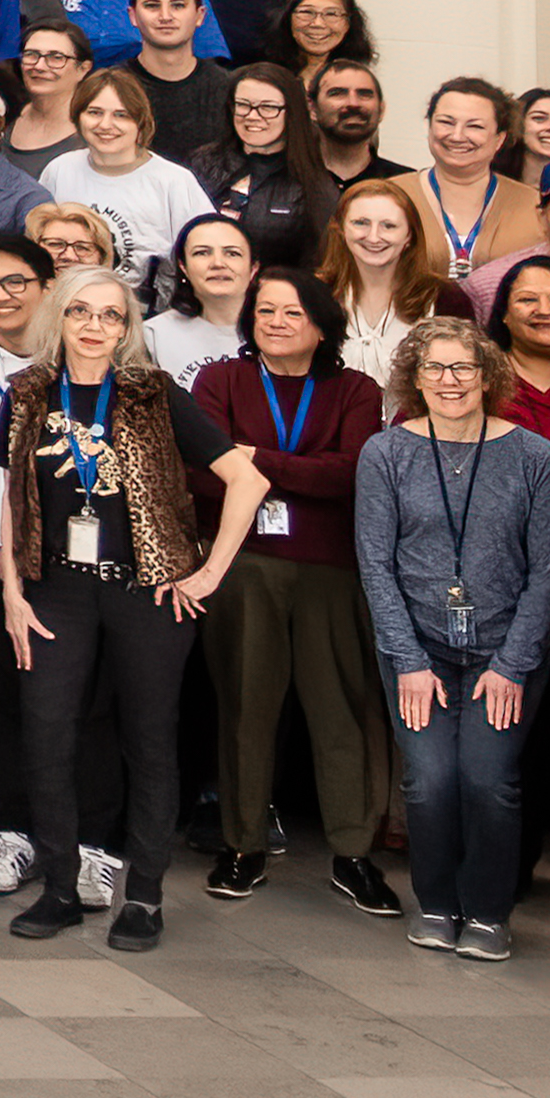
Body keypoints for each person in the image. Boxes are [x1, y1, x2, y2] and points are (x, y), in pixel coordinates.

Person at [0, 272, 260, 951]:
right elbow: (15, 498)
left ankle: (147, 897)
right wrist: (12, 588)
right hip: (56, 587)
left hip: (148, 588)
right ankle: (62, 888)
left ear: (128, 326)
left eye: (111, 314)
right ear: (59, 319)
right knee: (46, 732)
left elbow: (247, 480)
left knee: (150, 737)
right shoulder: (26, 394)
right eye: (80, 311)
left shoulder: (155, 394)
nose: (95, 324)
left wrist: (208, 572)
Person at [349, 324, 550, 963]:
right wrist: (408, 660)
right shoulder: (384, 454)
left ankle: (490, 912)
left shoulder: (533, 456)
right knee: (429, 780)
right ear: (414, 378)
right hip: (418, 650)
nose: (450, 381)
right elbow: (375, 564)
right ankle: (437, 904)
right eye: (436, 369)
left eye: (464, 368)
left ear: (488, 376)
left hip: (506, 651)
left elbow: (548, 568)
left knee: (490, 779)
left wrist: (513, 663)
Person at [187, 272, 396, 915]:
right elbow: (206, 473)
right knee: (246, 706)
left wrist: (256, 459)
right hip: (244, 564)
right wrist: (283, 470)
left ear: (323, 323)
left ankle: (354, 853)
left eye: (294, 311)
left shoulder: (356, 389)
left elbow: (352, 473)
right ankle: (243, 845)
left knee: (342, 710)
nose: (276, 321)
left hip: (331, 569)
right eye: (265, 310)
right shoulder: (221, 380)